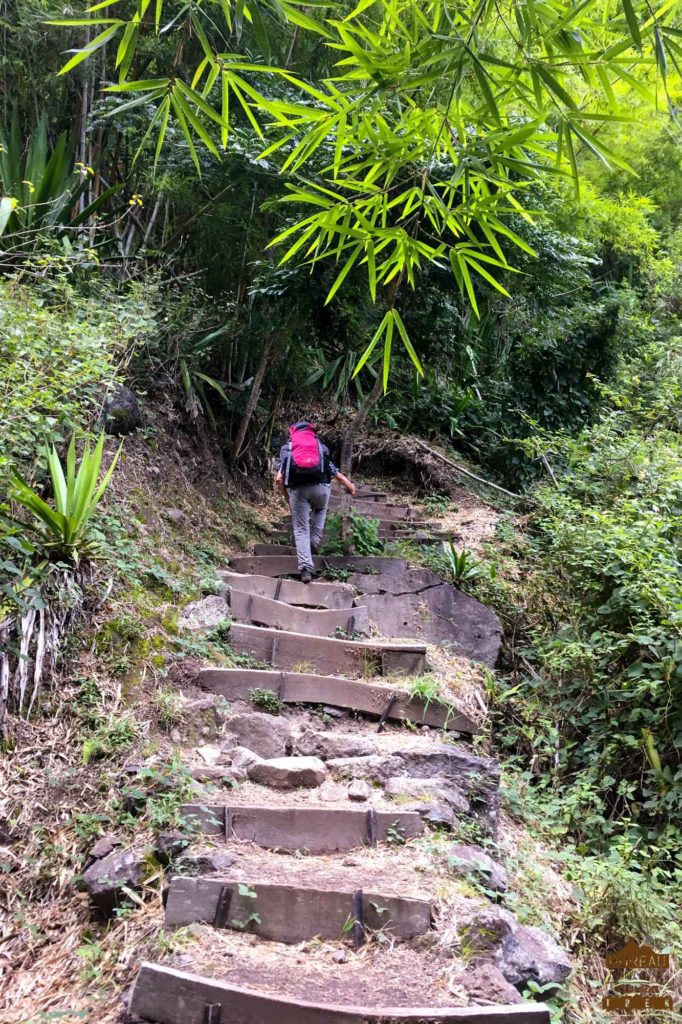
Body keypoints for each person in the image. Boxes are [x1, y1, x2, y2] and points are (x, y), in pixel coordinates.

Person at [275, 421, 356, 583]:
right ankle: (314, 541)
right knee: (321, 510)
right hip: (321, 490)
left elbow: (279, 479)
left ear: (293, 433)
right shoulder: (320, 446)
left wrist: (287, 498)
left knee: (301, 529)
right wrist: (351, 487)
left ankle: (305, 570)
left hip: (298, 492)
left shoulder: (288, 448)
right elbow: (336, 474)